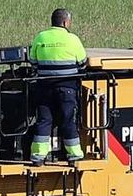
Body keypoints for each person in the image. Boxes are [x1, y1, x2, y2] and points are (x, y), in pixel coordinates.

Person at [28, 9, 89, 162]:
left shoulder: (41, 37)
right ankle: (74, 154)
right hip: (67, 87)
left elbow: (33, 61)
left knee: (44, 120)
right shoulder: (72, 39)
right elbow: (82, 62)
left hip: (44, 87)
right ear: (65, 22)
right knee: (68, 119)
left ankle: (38, 156)